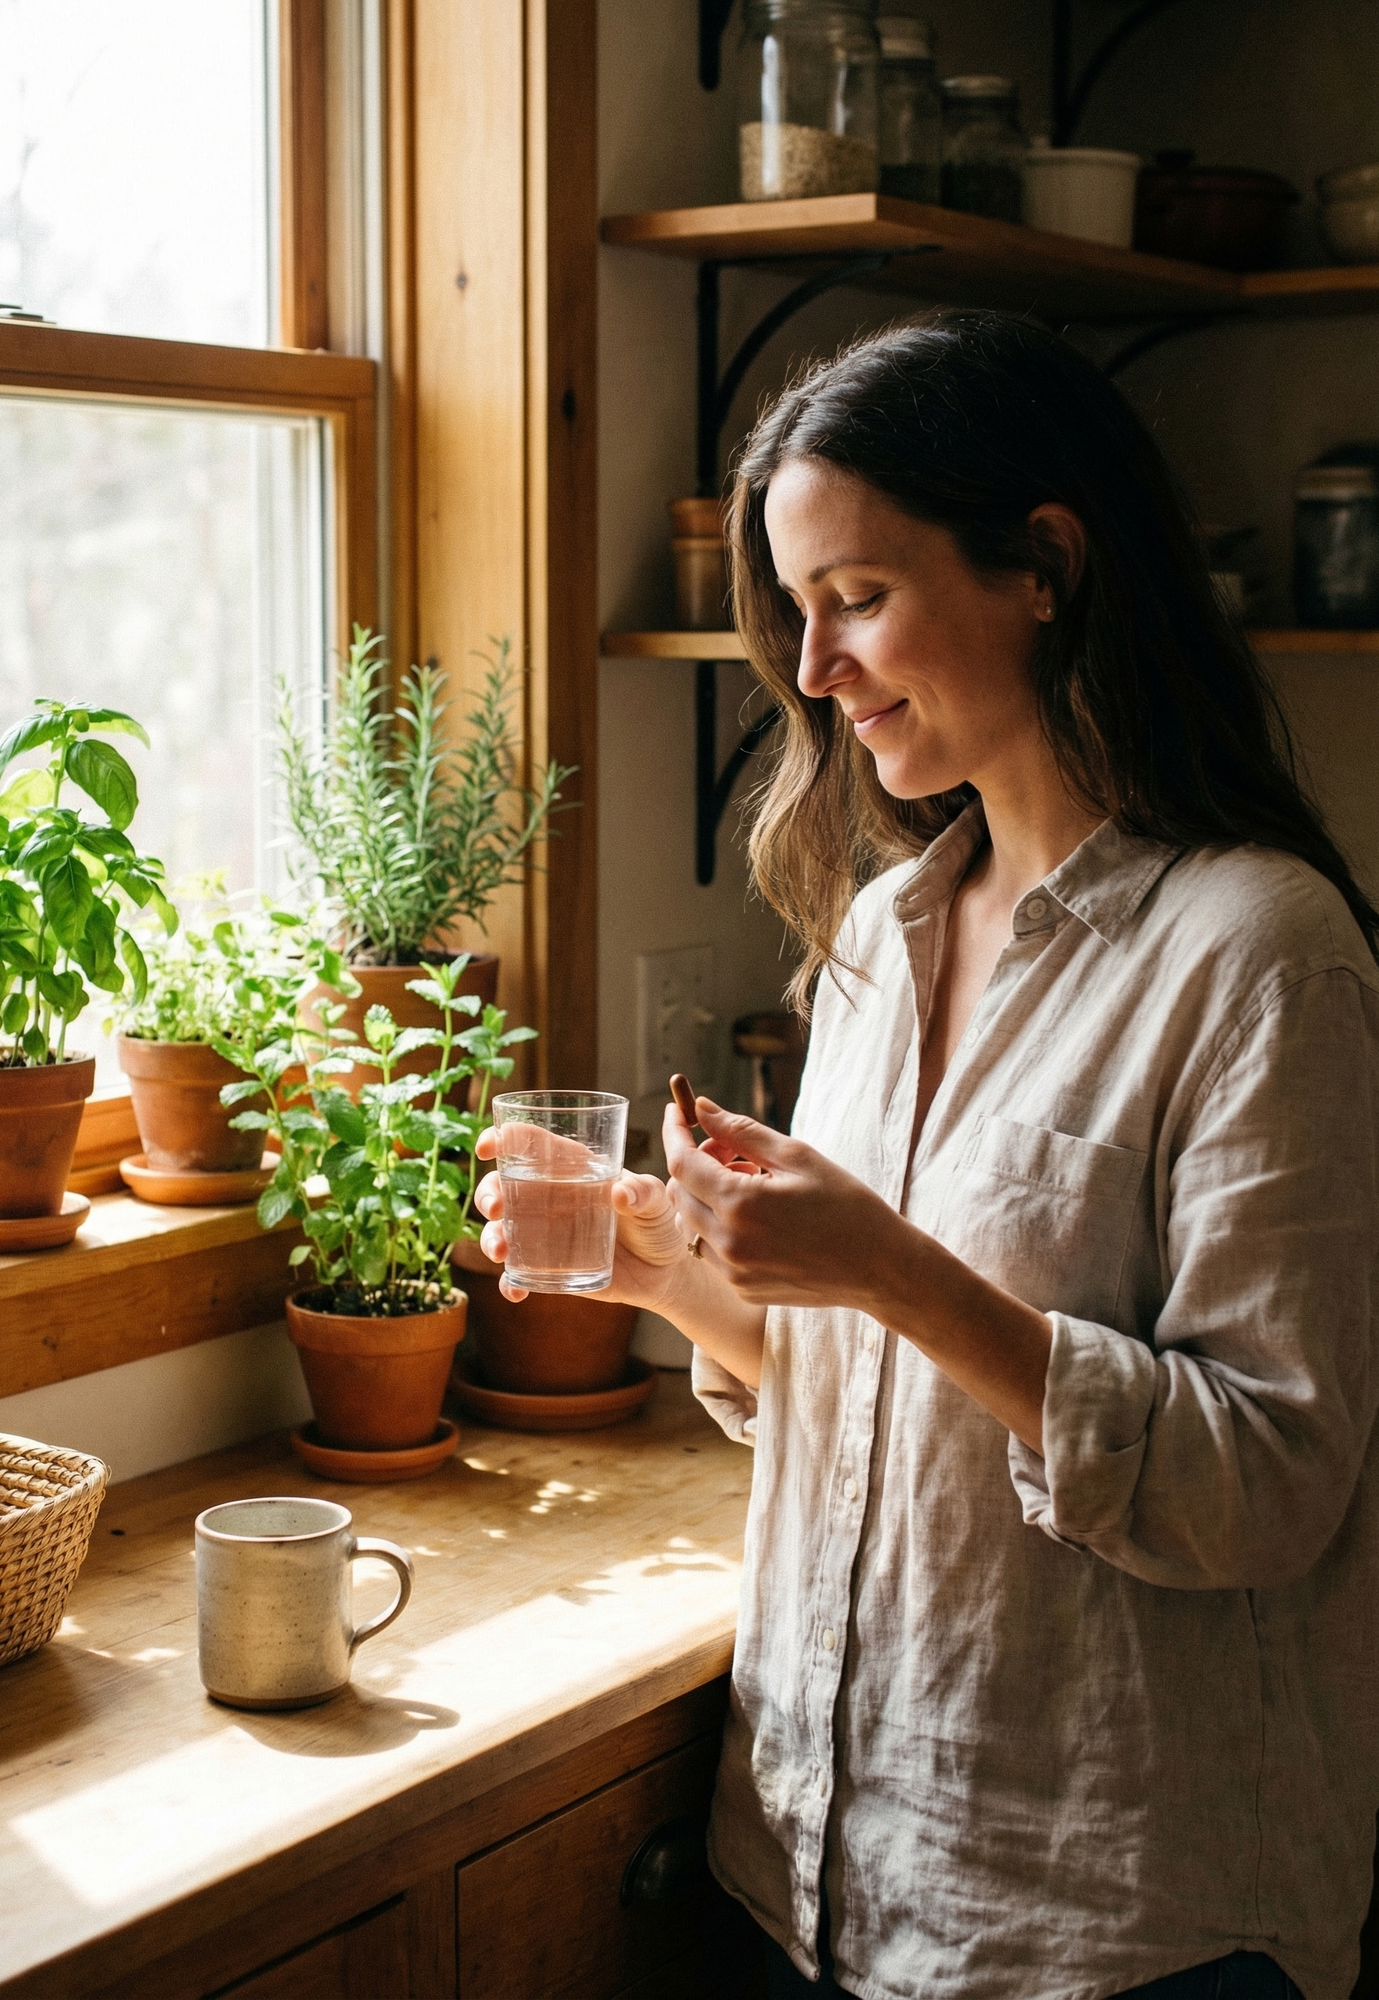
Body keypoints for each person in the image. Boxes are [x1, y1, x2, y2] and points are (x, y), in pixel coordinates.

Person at [474, 310, 1379, 2000]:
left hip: (1109, 1925)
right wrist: (666, 1260)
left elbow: (1269, 1483)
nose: (813, 672)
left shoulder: (1263, 951)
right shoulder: (883, 933)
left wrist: (884, 1261)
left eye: (858, 599)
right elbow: (855, 1379)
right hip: (810, 1862)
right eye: (797, 614)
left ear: (1044, 562)